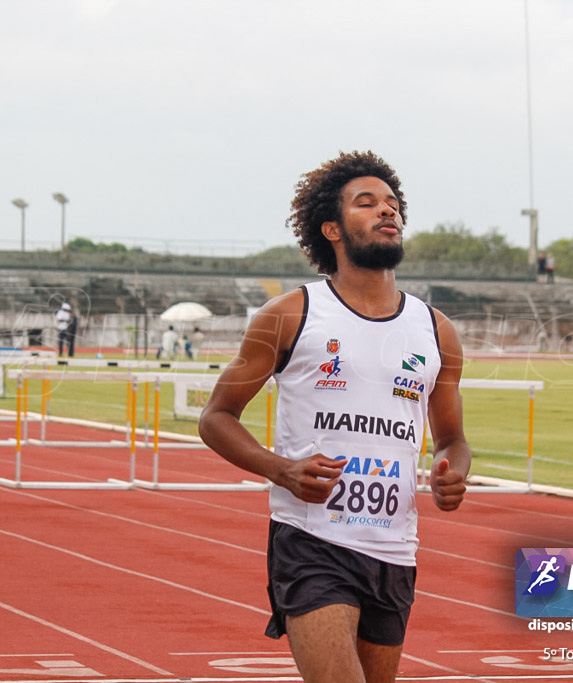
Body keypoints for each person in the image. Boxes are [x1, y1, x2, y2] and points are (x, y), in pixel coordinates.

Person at [199, 151, 470, 683]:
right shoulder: (289, 315)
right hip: (313, 541)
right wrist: (281, 469)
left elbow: (452, 439)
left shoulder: (436, 330)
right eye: (366, 203)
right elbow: (216, 417)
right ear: (333, 228)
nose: (385, 211)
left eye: (392, 204)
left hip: (394, 547)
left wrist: (451, 471)